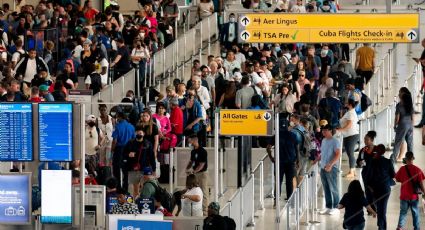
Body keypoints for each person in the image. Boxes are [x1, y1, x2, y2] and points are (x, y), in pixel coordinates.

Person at [363, 144, 395, 230]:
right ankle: (381, 227)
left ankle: (380, 225)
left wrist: (368, 186)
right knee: (382, 209)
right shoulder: (388, 162)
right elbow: (393, 175)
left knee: (379, 207)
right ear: (384, 152)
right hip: (385, 188)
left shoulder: (371, 161)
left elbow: (367, 176)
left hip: (374, 189)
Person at [266, 118, 297, 201]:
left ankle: (277, 198)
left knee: (278, 180)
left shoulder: (276, 136)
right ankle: (289, 198)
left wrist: (271, 158)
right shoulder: (293, 135)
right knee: (289, 181)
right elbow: (296, 148)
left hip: (279, 162)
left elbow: (268, 147)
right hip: (290, 162)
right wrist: (296, 160)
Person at [394, 152, 425, 230]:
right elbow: (421, 183)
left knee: (403, 213)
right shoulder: (417, 169)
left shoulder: (402, 169)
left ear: (405, 159)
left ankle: (400, 227)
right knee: (415, 213)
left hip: (404, 196)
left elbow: (397, 179)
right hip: (414, 196)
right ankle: (416, 228)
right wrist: (424, 192)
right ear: (413, 159)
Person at [123, 127, 155, 197]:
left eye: (140, 133)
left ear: (143, 134)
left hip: (145, 168)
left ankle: (144, 202)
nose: (138, 134)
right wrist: (128, 154)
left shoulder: (148, 144)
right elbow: (123, 154)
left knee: (145, 188)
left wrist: (154, 169)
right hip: (134, 168)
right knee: (135, 189)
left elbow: (152, 157)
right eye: (137, 133)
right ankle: (136, 204)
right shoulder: (130, 143)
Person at [319, 124, 341, 215]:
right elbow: (322, 153)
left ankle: (336, 207)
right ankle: (328, 206)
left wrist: (330, 165)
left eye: (325, 130)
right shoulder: (323, 140)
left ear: (330, 131)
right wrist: (317, 160)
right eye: (323, 130)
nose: (323, 132)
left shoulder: (335, 141)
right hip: (323, 167)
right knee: (326, 187)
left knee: (333, 188)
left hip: (331, 168)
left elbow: (338, 154)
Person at [111, 111, 135, 189]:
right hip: (128, 149)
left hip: (119, 149)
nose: (117, 118)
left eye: (117, 117)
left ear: (120, 117)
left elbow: (115, 140)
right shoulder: (131, 126)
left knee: (116, 169)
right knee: (126, 170)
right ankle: (125, 188)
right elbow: (133, 139)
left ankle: (118, 188)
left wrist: (112, 150)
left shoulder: (118, 126)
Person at [186, 135, 208, 215]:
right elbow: (191, 161)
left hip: (202, 174)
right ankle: (194, 209)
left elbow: (201, 165)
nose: (189, 142)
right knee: (193, 191)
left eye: (190, 140)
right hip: (195, 174)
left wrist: (194, 171)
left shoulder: (202, 151)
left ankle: (205, 211)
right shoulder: (193, 151)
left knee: (203, 191)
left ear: (195, 140)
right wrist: (187, 169)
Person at [336, 99, 359, 178]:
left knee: (350, 153)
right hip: (348, 135)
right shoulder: (349, 112)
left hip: (351, 135)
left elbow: (349, 125)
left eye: (346, 103)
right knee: (350, 153)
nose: (345, 104)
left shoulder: (351, 113)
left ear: (349, 104)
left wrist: (340, 130)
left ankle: (351, 171)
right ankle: (353, 170)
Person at [356, 131, 377, 214]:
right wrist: (359, 163)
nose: (365, 141)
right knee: (368, 192)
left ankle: (375, 207)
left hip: (375, 174)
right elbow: (358, 160)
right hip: (366, 174)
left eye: (367, 139)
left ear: (371, 140)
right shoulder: (363, 150)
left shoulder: (377, 150)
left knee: (374, 191)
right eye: (364, 139)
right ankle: (370, 210)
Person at [391, 88, 414, 163]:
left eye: (399, 92)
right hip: (410, 124)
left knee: (398, 142)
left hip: (402, 125)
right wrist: (411, 125)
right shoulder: (410, 104)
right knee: (410, 143)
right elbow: (413, 117)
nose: (398, 94)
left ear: (402, 94)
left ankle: (393, 159)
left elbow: (397, 118)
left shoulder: (399, 105)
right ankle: (410, 159)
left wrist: (395, 126)